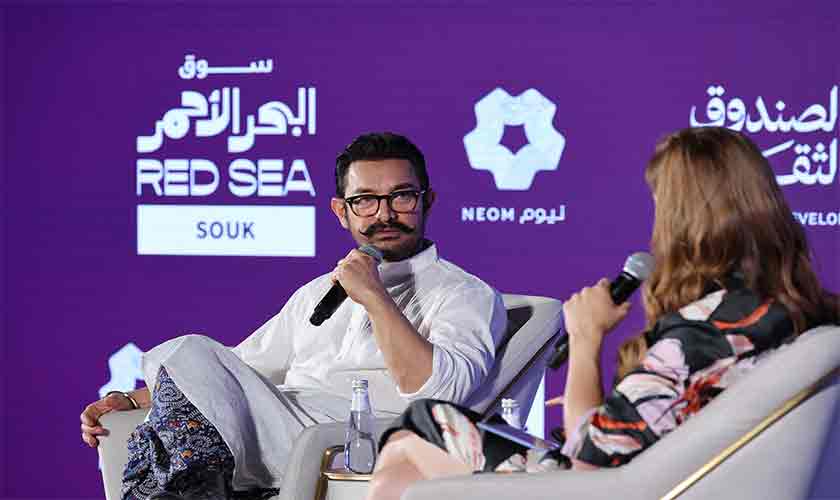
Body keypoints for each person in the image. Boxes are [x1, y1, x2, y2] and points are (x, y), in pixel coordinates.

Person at [365, 127, 840, 500]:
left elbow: (587, 459)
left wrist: (586, 338)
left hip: (608, 488)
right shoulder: (794, 318)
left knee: (420, 426)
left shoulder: (702, 330)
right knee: (406, 462)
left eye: (661, 208)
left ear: (683, 221)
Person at [80, 132, 508, 499]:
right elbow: (238, 368)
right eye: (365, 201)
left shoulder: (464, 294)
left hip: (359, 441)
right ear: (342, 212)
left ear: (426, 201)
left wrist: (376, 298)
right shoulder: (318, 293)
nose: (384, 214)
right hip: (278, 430)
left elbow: (441, 393)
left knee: (189, 363)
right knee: (192, 352)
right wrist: (130, 400)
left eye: (401, 196)